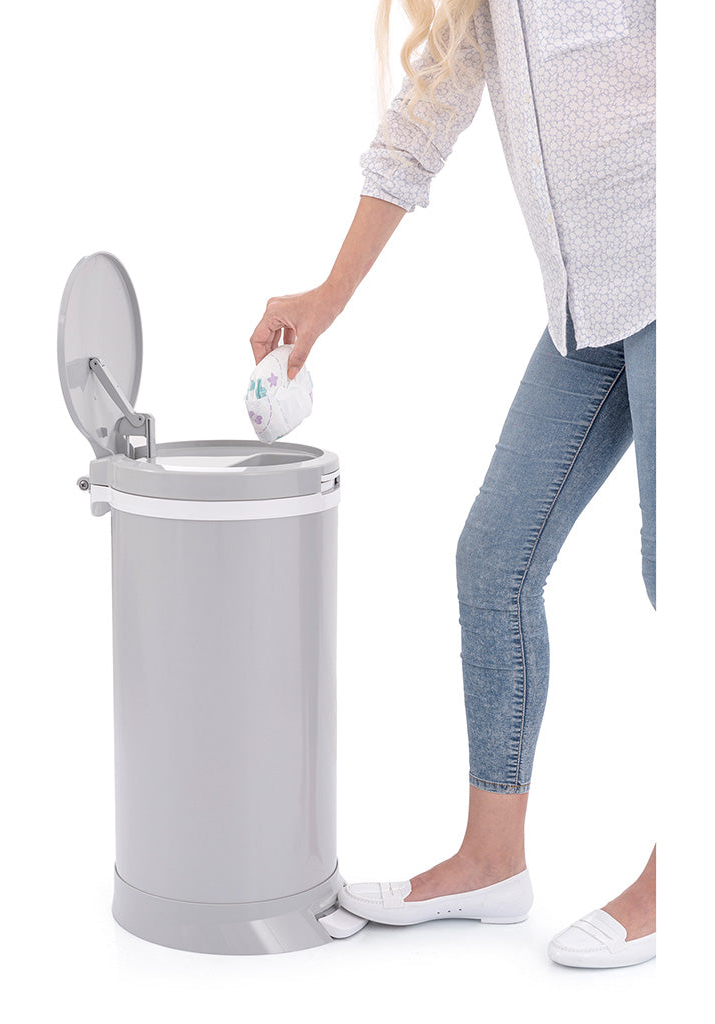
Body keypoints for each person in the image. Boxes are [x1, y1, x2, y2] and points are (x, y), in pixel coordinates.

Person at [249, 0, 656, 969]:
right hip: (585, 310)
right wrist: (325, 299)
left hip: (680, 279)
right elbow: (416, 131)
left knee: (680, 571)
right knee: (494, 560)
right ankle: (491, 859)